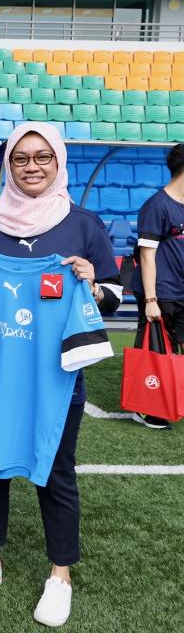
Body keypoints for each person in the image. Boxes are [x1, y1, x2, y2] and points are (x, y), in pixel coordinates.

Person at [0, 122, 122, 628]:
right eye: (21, 158)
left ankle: (59, 575)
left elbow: (112, 298)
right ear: (8, 166)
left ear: (59, 161)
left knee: (57, 472)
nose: (32, 166)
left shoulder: (84, 225)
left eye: (43, 157)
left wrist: (93, 282)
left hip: (56, 375)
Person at [129, 142, 184, 430]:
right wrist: (151, 300)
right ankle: (146, 407)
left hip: (181, 288)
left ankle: (173, 397)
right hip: (160, 290)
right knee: (156, 350)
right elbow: (147, 256)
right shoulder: (156, 206)